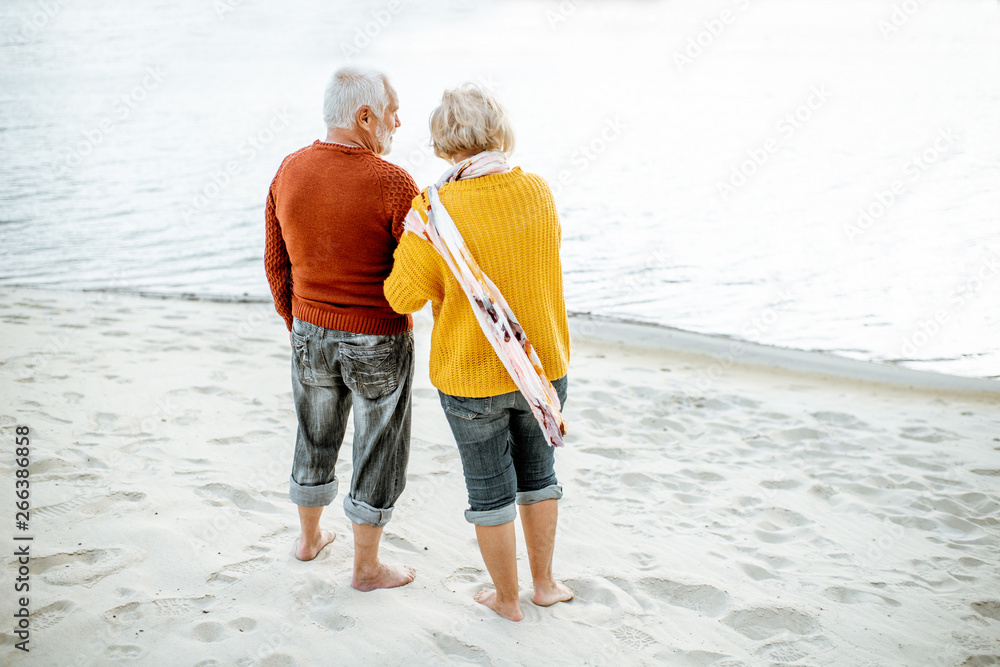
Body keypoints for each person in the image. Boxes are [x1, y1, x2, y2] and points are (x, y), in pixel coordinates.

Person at [384, 83, 573, 620]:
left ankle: (506, 600)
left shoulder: (431, 211)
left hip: (471, 378)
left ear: (443, 142)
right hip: (543, 369)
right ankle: (545, 585)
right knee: (540, 479)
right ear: (499, 130)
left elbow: (401, 296)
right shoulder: (537, 191)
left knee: (488, 491)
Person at [264, 66, 417, 591]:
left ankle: (308, 541)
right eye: (393, 110)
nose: (400, 120)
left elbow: (276, 263)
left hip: (310, 328)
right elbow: (416, 271)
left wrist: (298, 320)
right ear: (365, 115)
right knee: (379, 445)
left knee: (314, 433)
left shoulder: (289, 170)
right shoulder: (392, 182)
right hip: (377, 334)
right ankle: (366, 568)